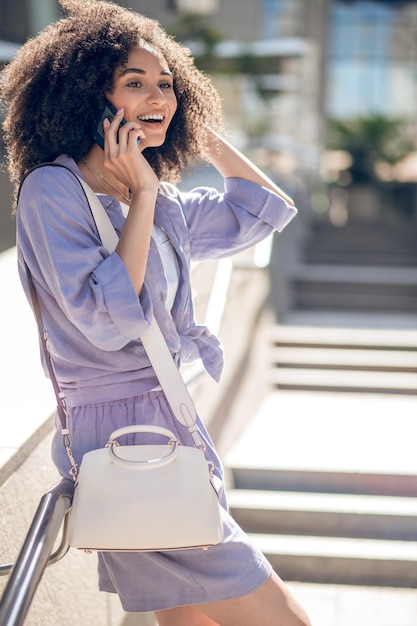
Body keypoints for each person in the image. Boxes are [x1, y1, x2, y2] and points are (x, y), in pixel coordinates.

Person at [0, 1, 311, 624]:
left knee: (185, 619)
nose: (156, 96)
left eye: (166, 84)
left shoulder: (162, 198)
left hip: (171, 428)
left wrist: (191, 128)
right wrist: (141, 194)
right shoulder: (53, 191)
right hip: (120, 441)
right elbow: (107, 321)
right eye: (134, 84)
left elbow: (262, 210)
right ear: (89, 97)